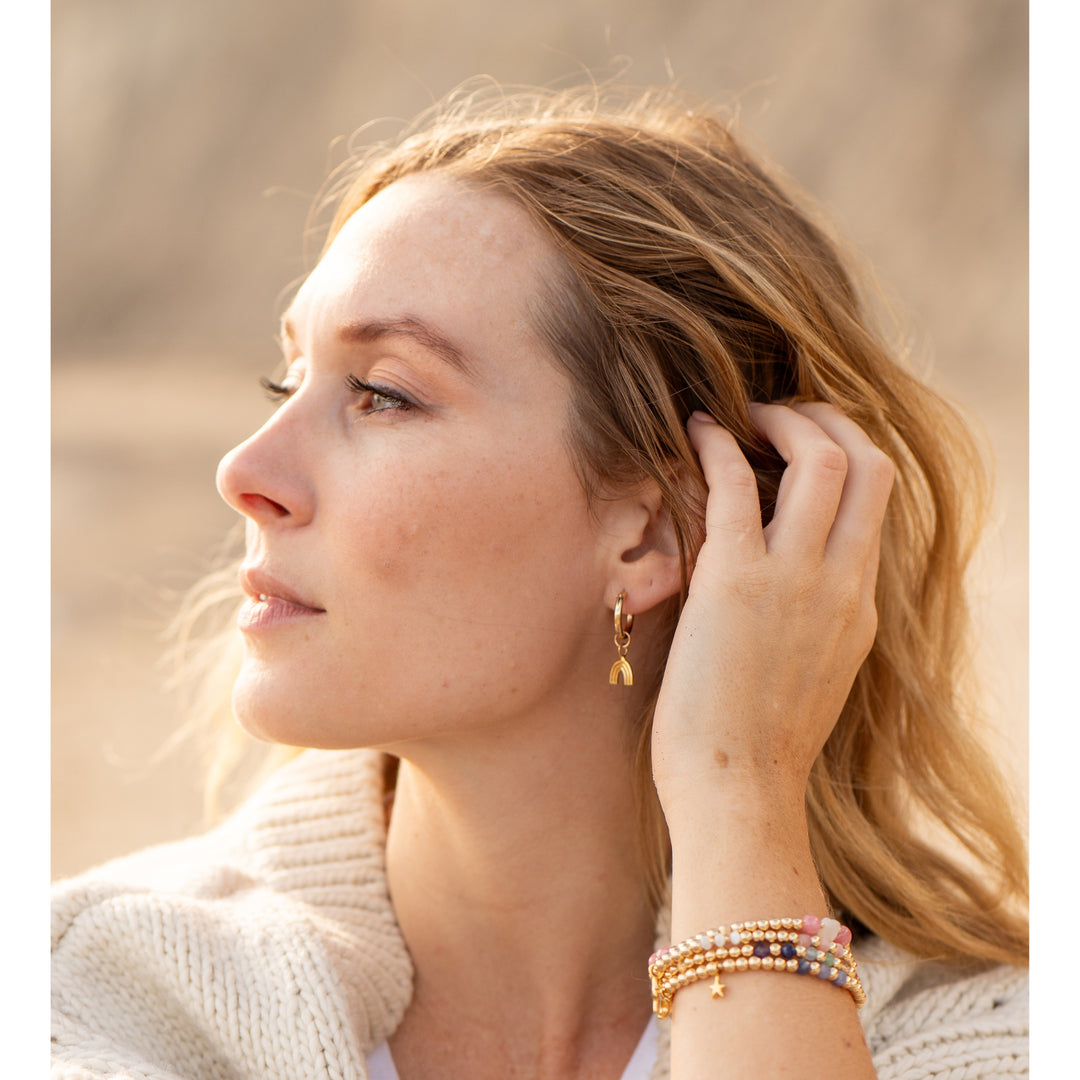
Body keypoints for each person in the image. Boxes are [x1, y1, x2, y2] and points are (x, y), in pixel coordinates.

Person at [51, 84, 1028, 1079]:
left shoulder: (994, 1036)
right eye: (286, 379)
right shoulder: (88, 999)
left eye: (382, 394)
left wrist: (740, 791)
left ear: (651, 533)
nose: (244, 471)